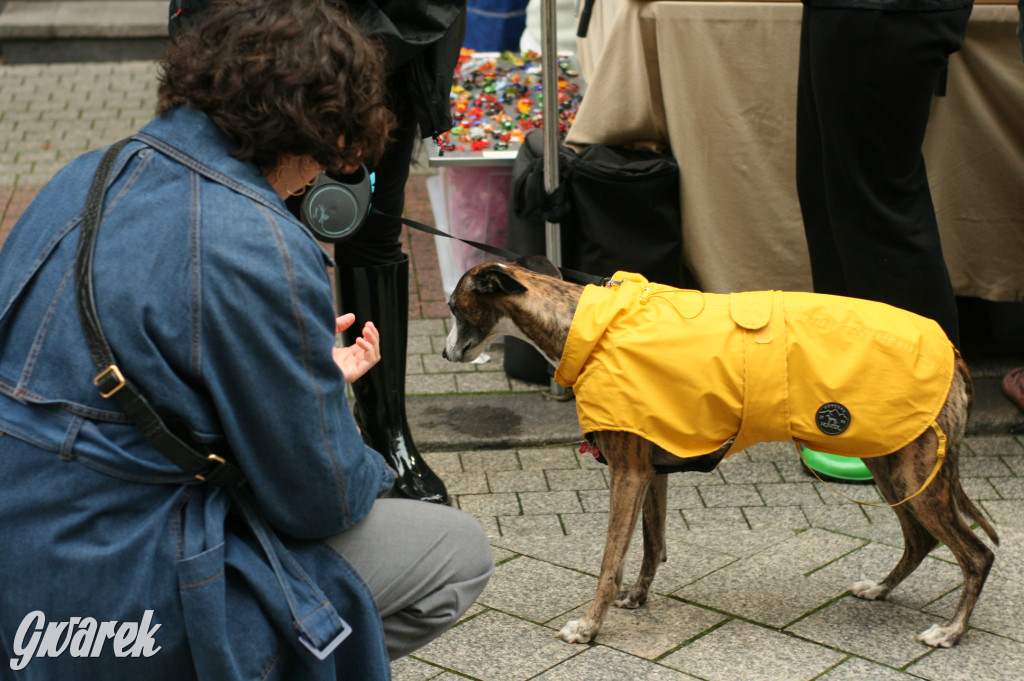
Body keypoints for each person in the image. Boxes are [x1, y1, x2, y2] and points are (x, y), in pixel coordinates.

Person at [0, 1, 493, 679]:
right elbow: (320, 496)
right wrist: (322, 407)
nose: (322, 176)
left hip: (19, 538)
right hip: (109, 589)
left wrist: (288, 376)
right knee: (453, 551)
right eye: (336, 152)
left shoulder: (82, 173)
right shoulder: (258, 237)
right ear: (313, 129)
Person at [170, 0, 467, 505]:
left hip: (381, 56)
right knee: (247, 230)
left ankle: (384, 429)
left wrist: (345, 58)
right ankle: (260, 430)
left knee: (373, 232)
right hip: (253, 64)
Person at [794, 0, 974, 481]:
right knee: (826, 191)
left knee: (876, 205)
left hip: (888, 8)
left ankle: (917, 416)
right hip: (844, 6)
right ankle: (858, 398)